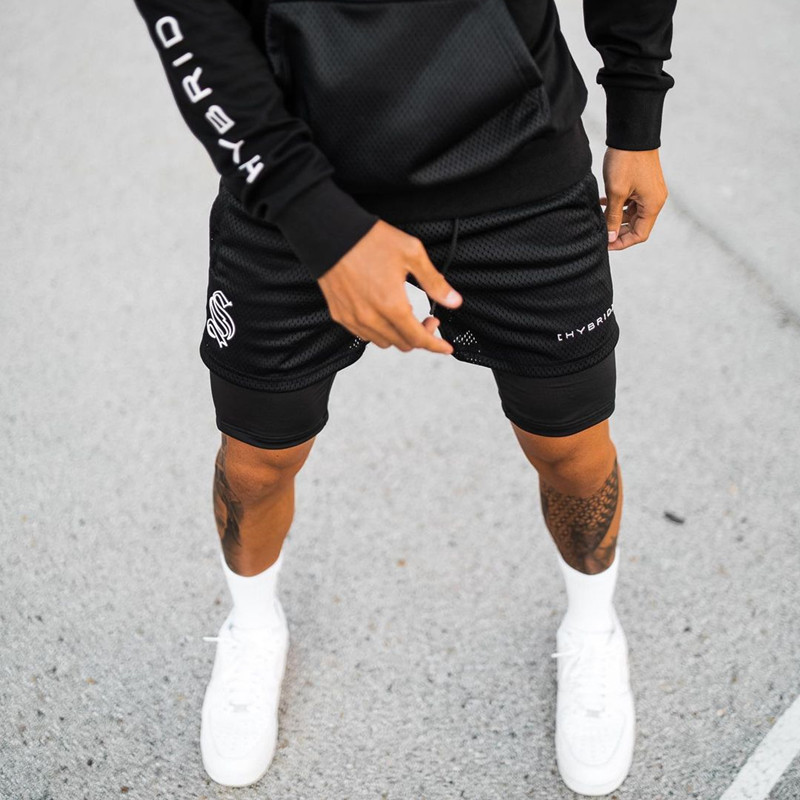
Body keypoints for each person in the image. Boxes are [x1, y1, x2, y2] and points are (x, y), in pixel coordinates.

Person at [131, 0, 676, 793]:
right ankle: (252, 625)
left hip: (516, 164)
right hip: (291, 179)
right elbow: (193, 19)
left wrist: (636, 108)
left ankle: (594, 628)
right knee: (254, 462)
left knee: (573, 452)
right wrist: (315, 218)